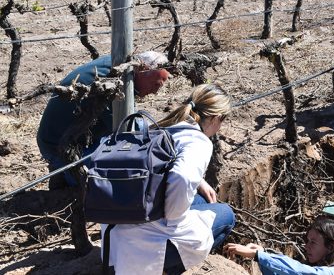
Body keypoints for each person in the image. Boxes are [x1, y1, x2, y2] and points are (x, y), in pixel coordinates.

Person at [103, 83, 236, 275]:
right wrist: (175, 220)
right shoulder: (199, 142)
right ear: (216, 118)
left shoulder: (165, 127)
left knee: (200, 200)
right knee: (226, 215)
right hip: (141, 249)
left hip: (114, 244)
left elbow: (168, 166)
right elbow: (181, 176)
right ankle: (163, 270)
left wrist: (199, 182)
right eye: (223, 119)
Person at [36, 51, 171, 186]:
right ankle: (67, 178)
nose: (155, 92)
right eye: (156, 85)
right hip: (58, 148)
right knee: (112, 178)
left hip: (73, 138)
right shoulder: (114, 83)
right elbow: (126, 131)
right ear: (144, 70)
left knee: (140, 125)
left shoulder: (120, 66)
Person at [224, 217, 334, 275]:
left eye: (313, 242)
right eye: (308, 240)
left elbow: (298, 271)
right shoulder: (321, 264)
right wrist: (263, 252)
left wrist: (258, 255)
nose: (306, 246)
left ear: (330, 247)